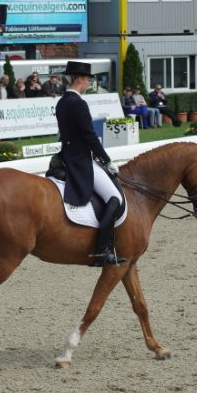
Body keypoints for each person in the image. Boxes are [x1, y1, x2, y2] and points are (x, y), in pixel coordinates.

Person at [55, 61, 125, 266]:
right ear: (78, 79)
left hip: (66, 156)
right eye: (86, 79)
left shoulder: (62, 102)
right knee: (114, 198)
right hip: (80, 160)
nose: (88, 83)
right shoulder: (78, 103)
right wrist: (107, 160)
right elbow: (89, 136)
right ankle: (102, 250)